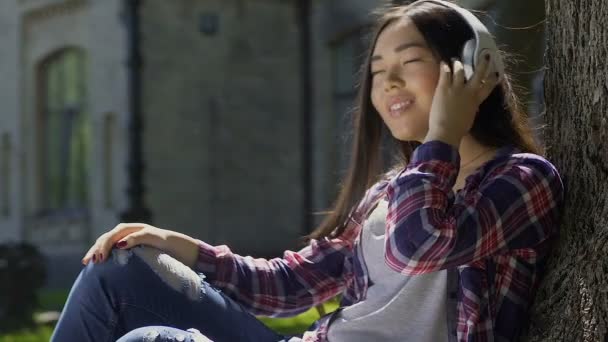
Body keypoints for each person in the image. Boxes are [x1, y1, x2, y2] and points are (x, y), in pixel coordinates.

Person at [51, 1, 564, 341]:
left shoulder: (522, 181)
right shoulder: (388, 192)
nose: (387, 83)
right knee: (120, 268)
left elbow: (421, 244)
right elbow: (293, 284)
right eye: (378, 70)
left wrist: (442, 138)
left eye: (409, 62)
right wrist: (176, 243)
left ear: (471, 71)